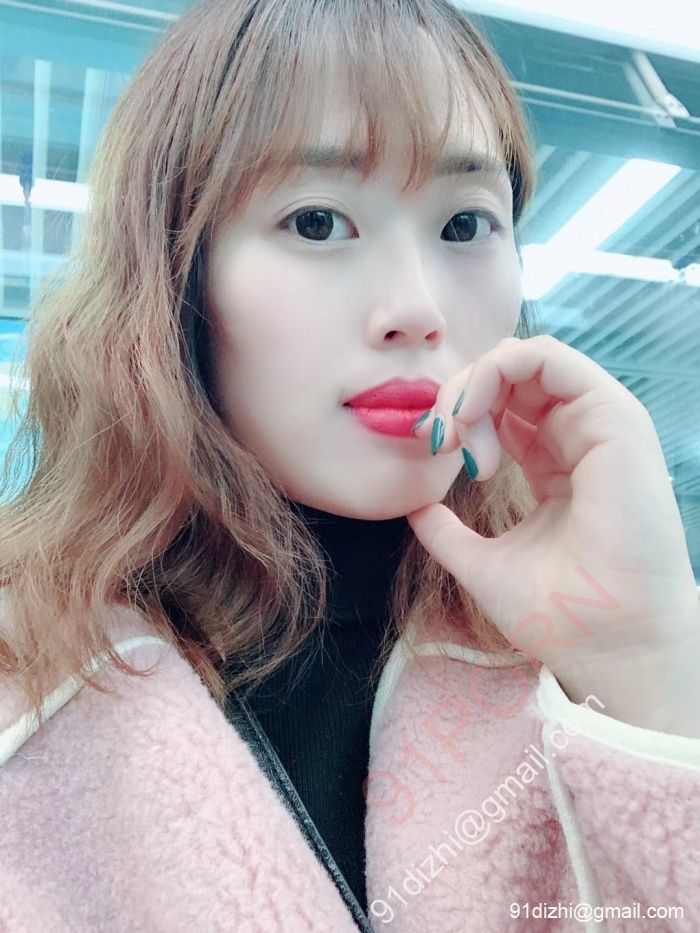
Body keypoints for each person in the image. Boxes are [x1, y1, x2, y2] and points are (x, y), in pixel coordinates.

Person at [1, 0, 699, 929]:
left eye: (465, 225)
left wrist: (648, 661)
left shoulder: (575, 645)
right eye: (319, 221)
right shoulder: (30, 671)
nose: (416, 307)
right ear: (176, 278)